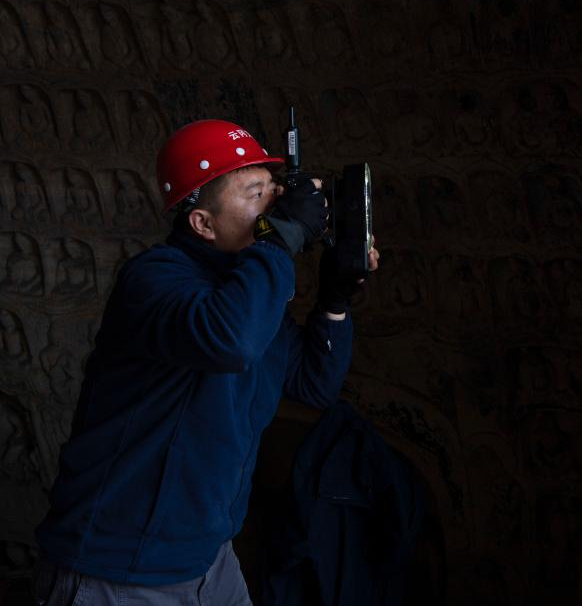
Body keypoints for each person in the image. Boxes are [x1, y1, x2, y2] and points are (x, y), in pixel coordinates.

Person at [33, 119, 378, 605]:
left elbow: (312, 385)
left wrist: (334, 298)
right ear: (203, 223)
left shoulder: (245, 286)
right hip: (120, 567)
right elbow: (230, 340)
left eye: (273, 187)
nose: (276, 201)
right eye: (256, 192)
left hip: (209, 560)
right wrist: (279, 241)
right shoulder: (154, 280)